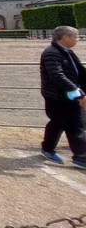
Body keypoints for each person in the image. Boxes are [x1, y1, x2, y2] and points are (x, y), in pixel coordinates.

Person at [39, 26, 86, 168]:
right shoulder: (51, 53)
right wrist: (78, 91)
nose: (77, 40)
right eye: (75, 37)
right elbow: (56, 75)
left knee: (71, 124)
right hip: (57, 96)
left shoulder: (65, 52)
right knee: (63, 124)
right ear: (65, 37)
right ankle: (80, 157)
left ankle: (80, 157)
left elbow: (77, 72)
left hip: (67, 96)